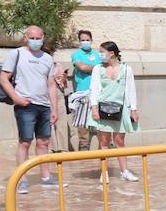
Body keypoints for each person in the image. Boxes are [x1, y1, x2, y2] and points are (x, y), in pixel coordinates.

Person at [1, 25, 61, 194]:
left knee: (44, 142)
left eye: (38, 38)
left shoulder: (47, 58)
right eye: (32, 38)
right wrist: (16, 98)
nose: (35, 41)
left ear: (43, 38)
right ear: (26, 37)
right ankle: (22, 179)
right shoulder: (16, 54)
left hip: (44, 106)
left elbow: (51, 85)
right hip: (25, 105)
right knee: (25, 142)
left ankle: (46, 176)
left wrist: (54, 108)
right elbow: (4, 78)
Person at [88, 41, 141, 182]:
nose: (100, 55)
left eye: (102, 52)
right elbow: (94, 89)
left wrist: (133, 109)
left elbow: (131, 90)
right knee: (103, 141)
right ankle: (103, 172)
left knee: (119, 141)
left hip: (121, 109)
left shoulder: (126, 69)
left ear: (111, 53)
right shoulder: (97, 69)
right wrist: (94, 108)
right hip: (102, 108)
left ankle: (124, 171)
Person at [70, 29, 102, 152]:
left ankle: (105, 145)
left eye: (87, 40)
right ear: (79, 41)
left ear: (91, 40)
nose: (85, 42)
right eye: (83, 40)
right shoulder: (76, 54)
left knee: (100, 118)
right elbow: (82, 67)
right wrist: (97, 67)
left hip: (98, 91)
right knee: (82, 121)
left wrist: (92, 67)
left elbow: (105, 66)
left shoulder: (97, 53)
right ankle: (84, 146)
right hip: (82, 90)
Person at [50, 66, 75, 153]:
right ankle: (52, 148)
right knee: (48, 122)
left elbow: (64, 84)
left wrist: (62, 78)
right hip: (43, 94)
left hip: (58, 93)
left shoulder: (57, 65)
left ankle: (63, 148)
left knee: (61, 121)